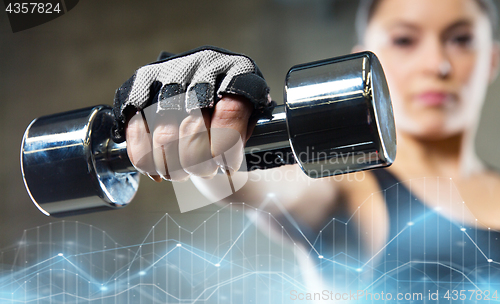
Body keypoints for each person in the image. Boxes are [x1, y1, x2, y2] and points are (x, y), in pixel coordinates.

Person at [118, 0, 500, 299]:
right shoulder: (347, 185)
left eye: (462, 39)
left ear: (493, 60)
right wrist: (200, 108)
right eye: (404, 40)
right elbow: (253, 181)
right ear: (365, 55)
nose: (437, 64)